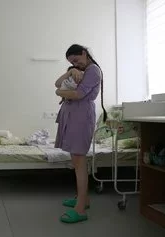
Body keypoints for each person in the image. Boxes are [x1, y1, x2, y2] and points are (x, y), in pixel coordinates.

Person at [54, 44, 107, 223]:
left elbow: (78, 94)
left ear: (84, 53)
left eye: (76, 60)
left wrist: (58, 92)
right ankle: (83, 199)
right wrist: (70, 72)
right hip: (72, 114)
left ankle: (81, 209)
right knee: (75, 159)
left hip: (81, 116)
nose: (76, 64)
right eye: (71, 63)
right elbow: (57, 82)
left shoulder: (93, 70)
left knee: (79, 160)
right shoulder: (78, 70)